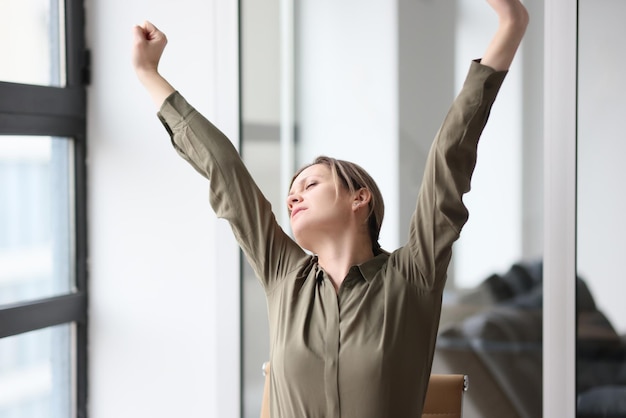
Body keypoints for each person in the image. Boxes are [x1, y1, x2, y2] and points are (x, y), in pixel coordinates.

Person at [132, 0, 528, 416]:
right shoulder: (285, 275)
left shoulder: (412, 276)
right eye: (291, 192)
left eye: (310, 184)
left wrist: (510, 24)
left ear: (360, 198)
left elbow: (449, 157)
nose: (292, 197)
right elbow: (225, 173)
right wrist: (148, 74)